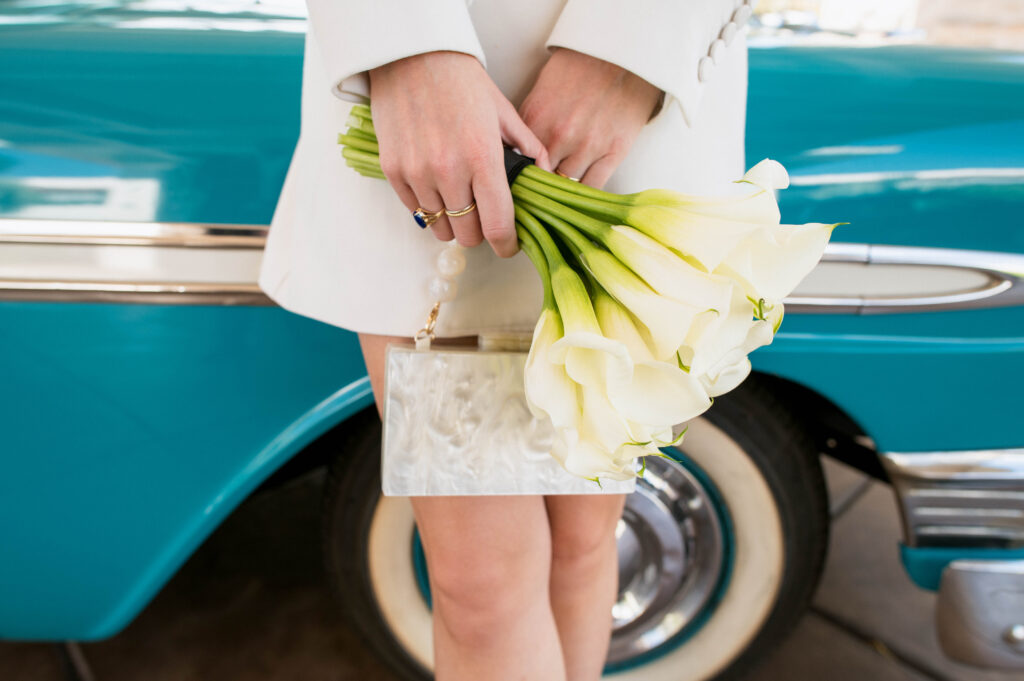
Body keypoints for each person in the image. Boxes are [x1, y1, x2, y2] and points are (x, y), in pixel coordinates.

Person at [258, 1, 754, 678]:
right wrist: (408, 44)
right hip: (425, 111)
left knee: (582, 547)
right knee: (481, 587)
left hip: (636, 113)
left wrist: (631, 45)